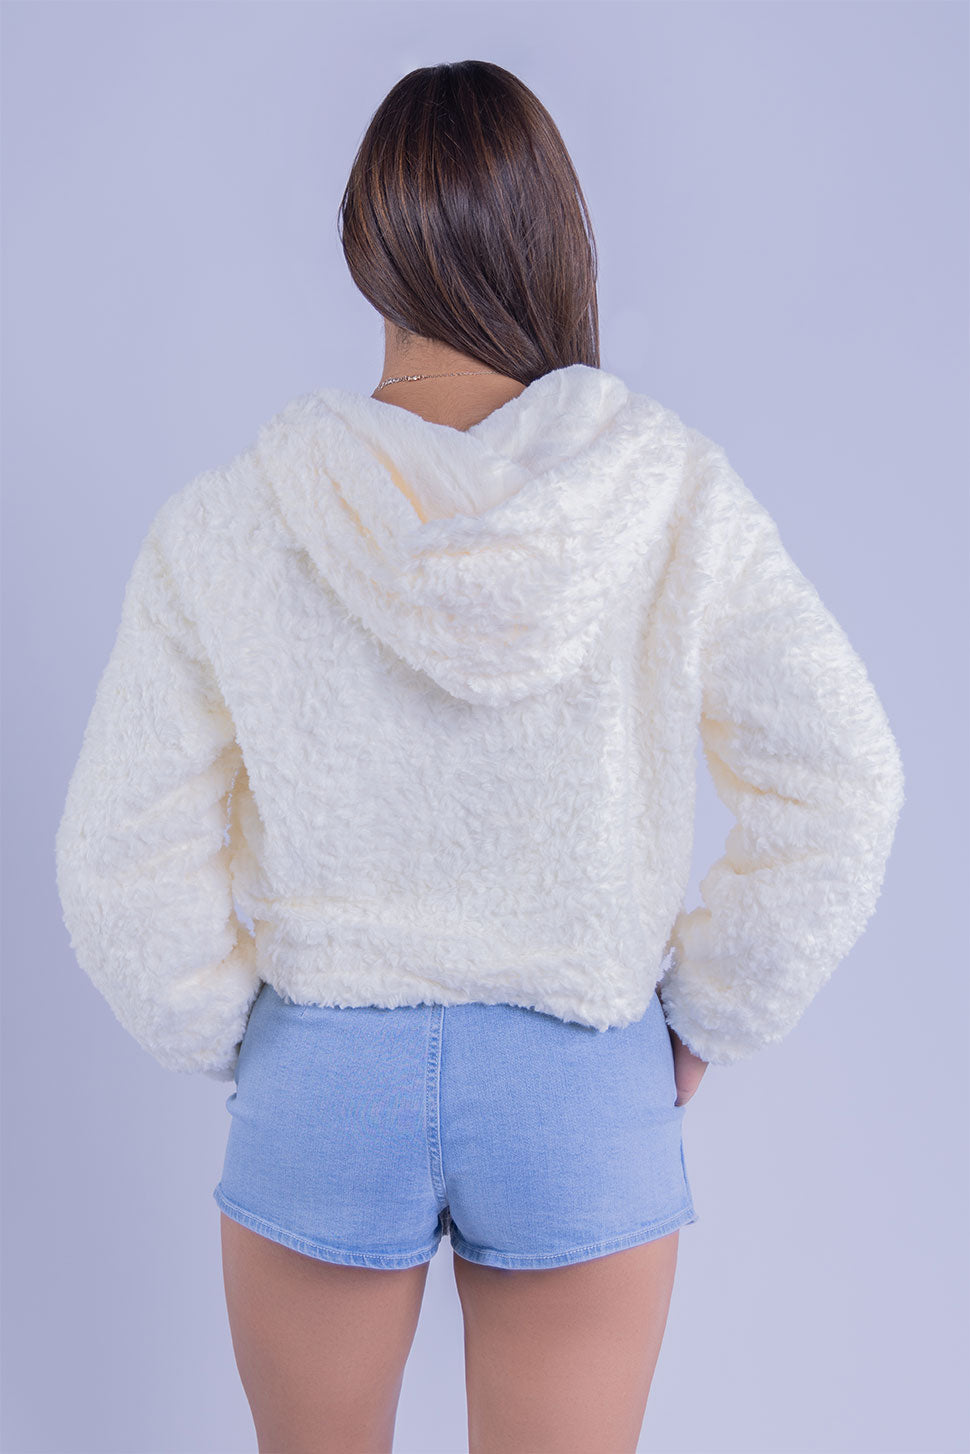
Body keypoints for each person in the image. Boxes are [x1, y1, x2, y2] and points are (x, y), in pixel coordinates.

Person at [54, 59, 905, 1454]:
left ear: (365, 244)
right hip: (579, 1080)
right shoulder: (667, 492)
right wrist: (707, 1012)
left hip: (327, 1076)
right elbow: (840, 776)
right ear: (557, 238)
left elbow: (117, 850)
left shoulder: (237, 516)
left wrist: (236, 1034)